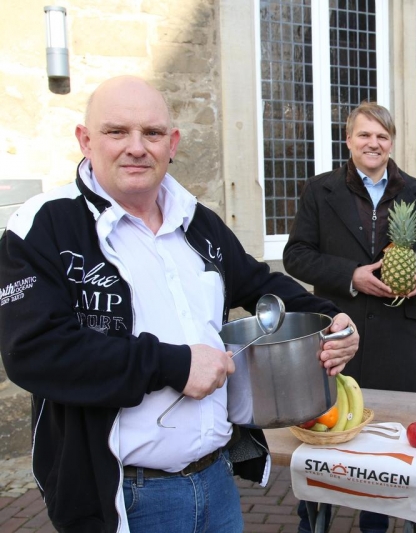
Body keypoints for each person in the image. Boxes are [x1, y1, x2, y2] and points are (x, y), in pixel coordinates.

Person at [0, 75, 360, 533]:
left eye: (151, 133)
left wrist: (331, 319)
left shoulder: (197, 222)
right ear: (85, 141)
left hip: (216, 483)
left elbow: (260, 284)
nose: (136, 147)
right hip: (124, 498)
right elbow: (34, 352)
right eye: (116, 132)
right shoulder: (44, 224)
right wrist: (172, 365)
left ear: (171, 143)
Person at [283, 101, 416, 533]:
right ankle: (314, 520)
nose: (373, 143)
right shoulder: (320, 190)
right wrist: (350, 275)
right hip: (336, 333)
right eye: (364, 135)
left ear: (391, 142)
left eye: (382, 136)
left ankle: (376, 524)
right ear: (349, 140)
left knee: (386, 443)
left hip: (395, 336)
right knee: (326, 434)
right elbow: (295, 256)